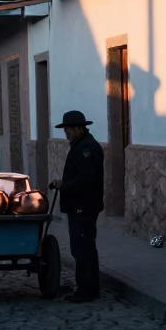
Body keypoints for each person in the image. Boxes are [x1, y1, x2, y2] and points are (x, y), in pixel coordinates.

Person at [49, 110, 104, 303]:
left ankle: (86, 291)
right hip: (80, 205)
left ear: (79, 128)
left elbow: (86, 180)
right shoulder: (81, 145)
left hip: (83, 206)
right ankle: (90, 288)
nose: (66, 133)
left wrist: (64, 185)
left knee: (83, 249)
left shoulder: (87, 149)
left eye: (69, 130)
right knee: (85, 247)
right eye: (65, 130)